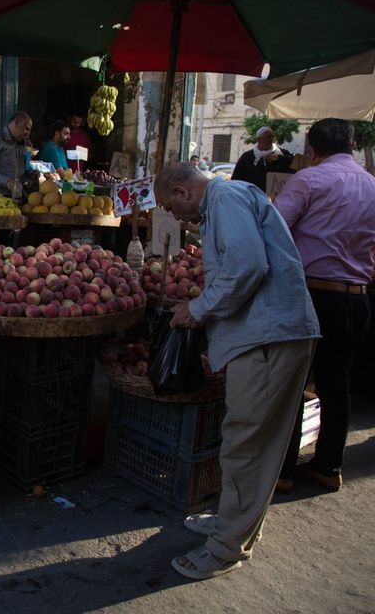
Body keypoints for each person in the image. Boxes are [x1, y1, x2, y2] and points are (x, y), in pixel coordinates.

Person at [154, 162, 319, 581]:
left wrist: (199, 308)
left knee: (247, 443)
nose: (174, 217)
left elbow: (247, 267)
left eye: (170, 206)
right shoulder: (231, 199)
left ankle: (226, 548)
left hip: (267, 337)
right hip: (269, 334)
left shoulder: (225, 198)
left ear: (182, 190)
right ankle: (234, 524)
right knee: (251, 439)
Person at [274, 118, 375, 492]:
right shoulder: (372, 185)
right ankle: (329, 467)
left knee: (293, 381)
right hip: (358, 299)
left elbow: (275, 229)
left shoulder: (309, 179)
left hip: (315, 296)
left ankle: (281, 471)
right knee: (337, 383)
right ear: (352, 146)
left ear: (312, 150)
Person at [231, 125, 294, 192]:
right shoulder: (247, 157)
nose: (271, 139)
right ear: (259, 139)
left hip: (277, 199)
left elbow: (297, 167)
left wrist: (280, 158)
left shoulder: (282, 153)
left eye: (272, 136)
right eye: (268, 137)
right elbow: (236, 181)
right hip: (253, 199)